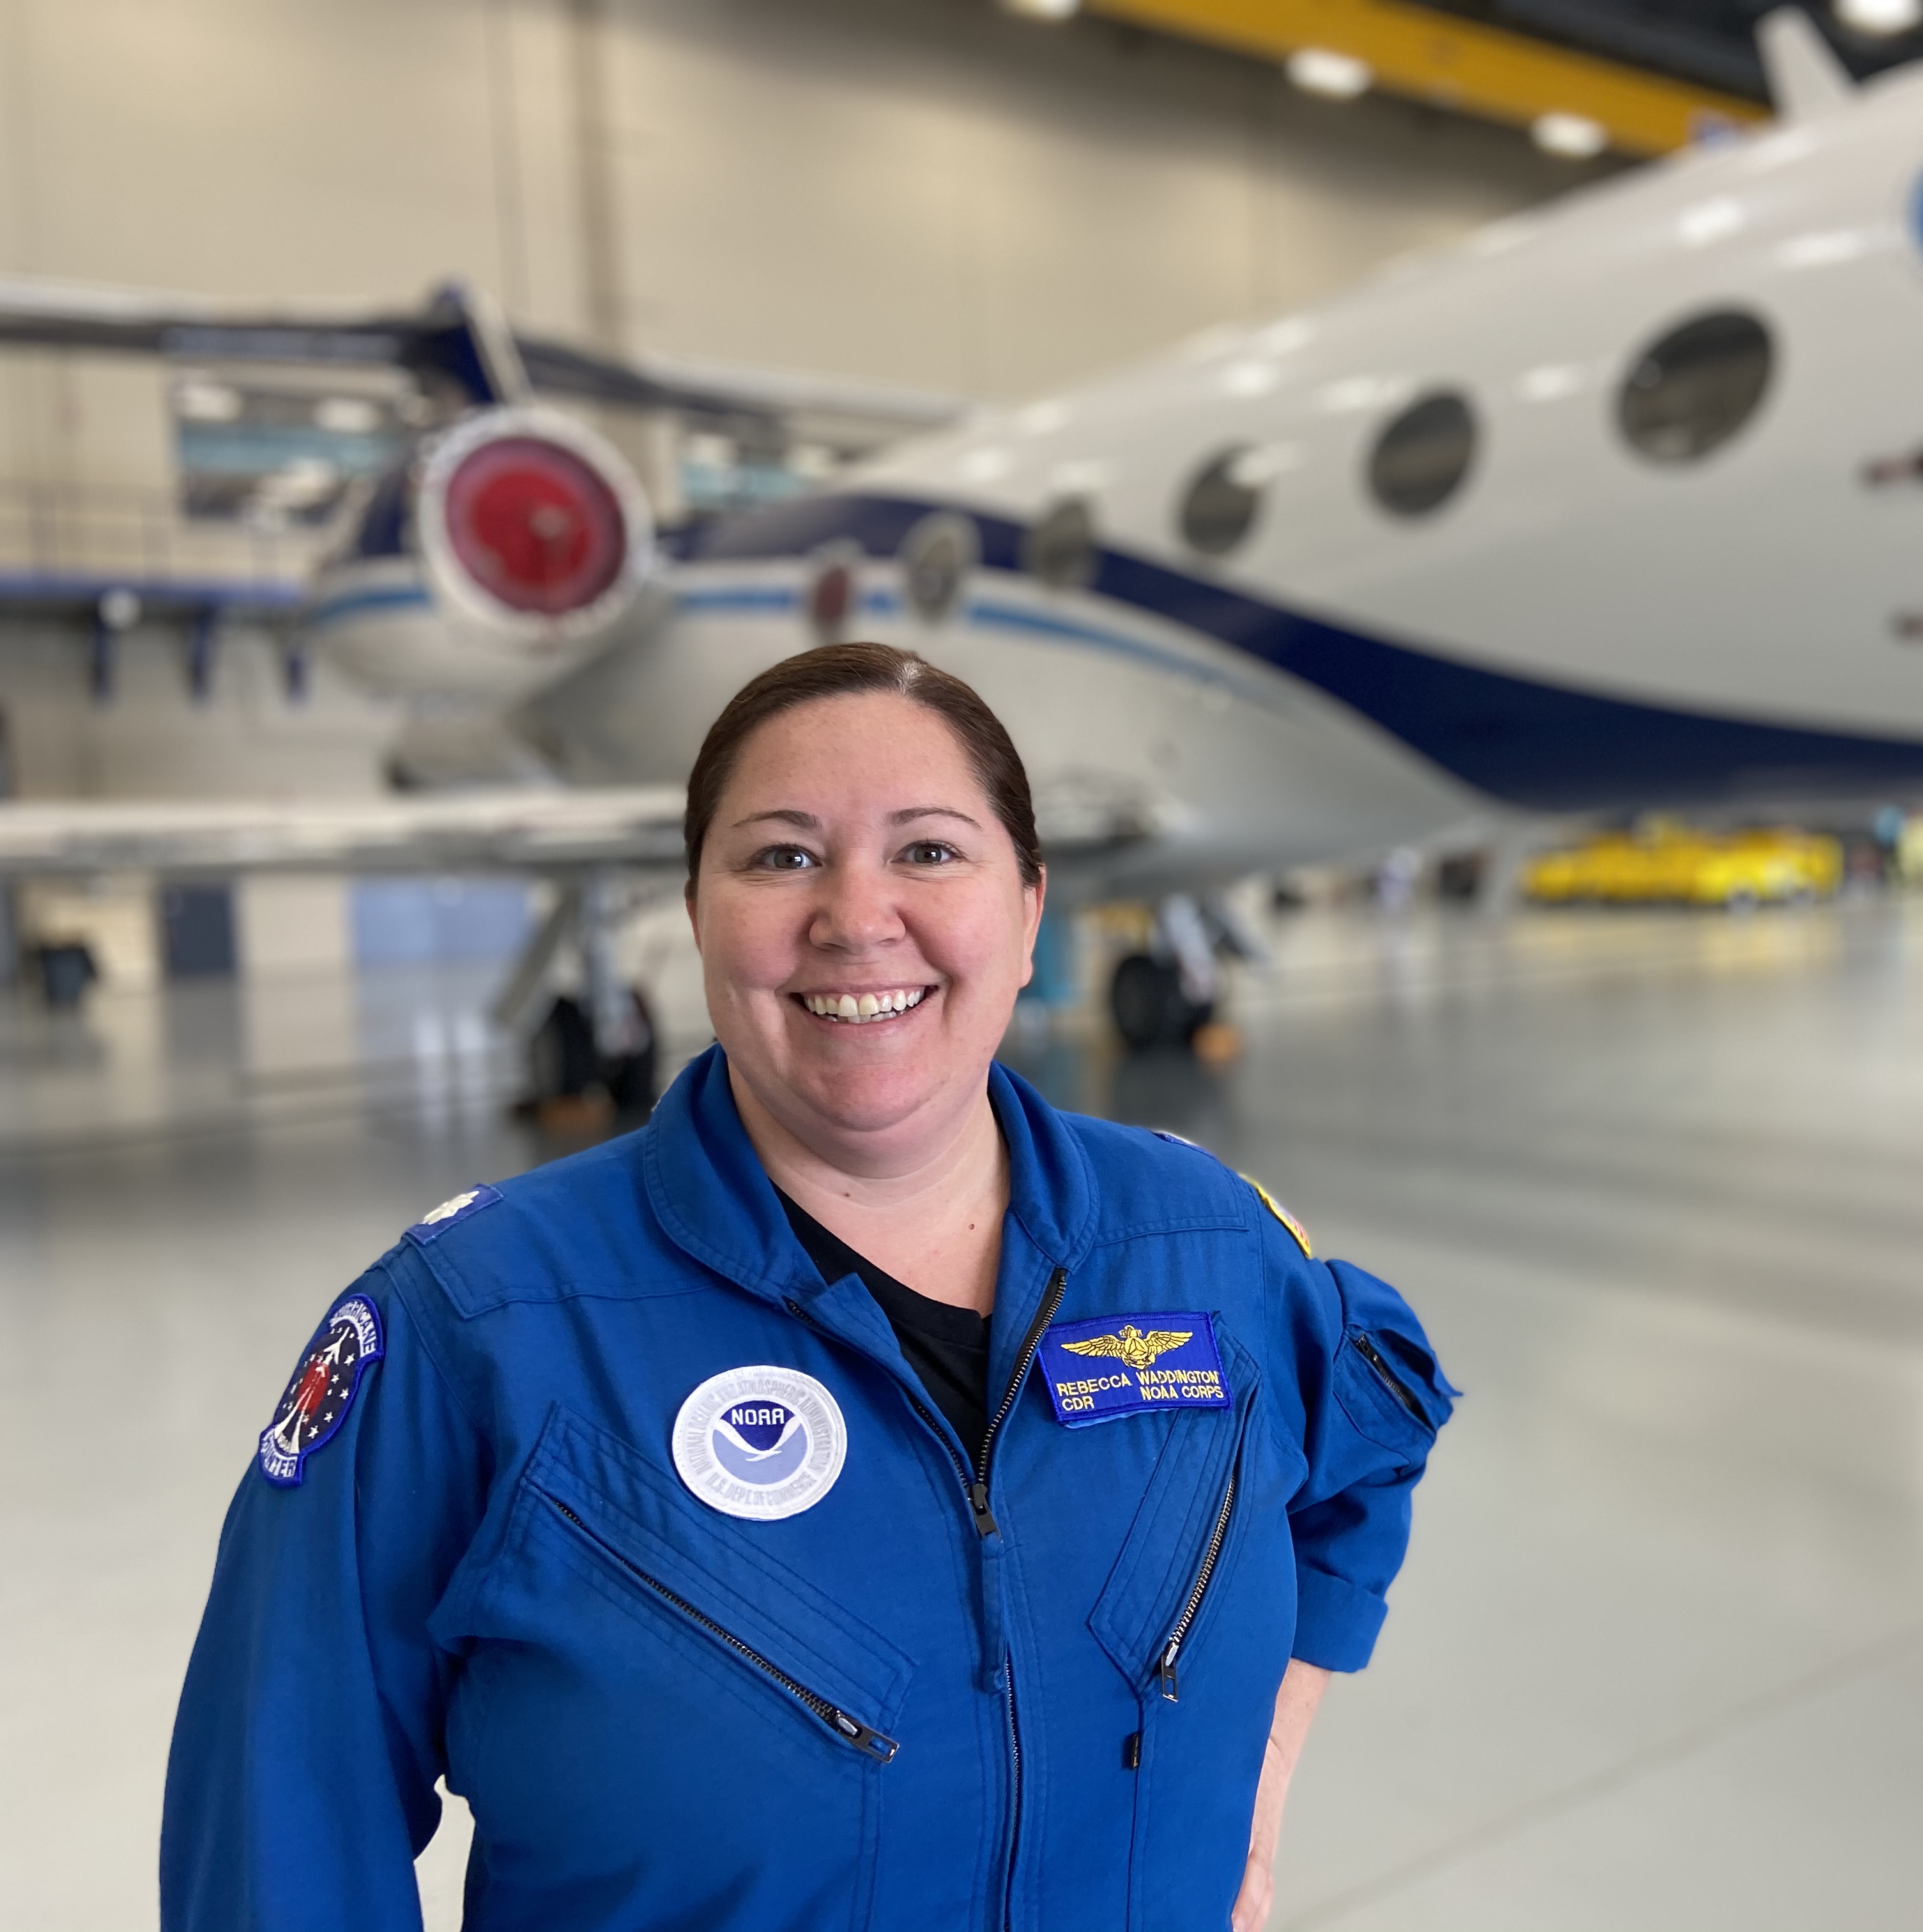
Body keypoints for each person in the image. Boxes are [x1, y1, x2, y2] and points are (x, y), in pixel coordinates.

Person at [162, 642, 1454, 1931]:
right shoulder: (474, 1328)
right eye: (781, 855)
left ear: (1029, 912)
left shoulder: (1206, 1244)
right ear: (696, 913)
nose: (855, 915)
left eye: (931, 852)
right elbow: (279, 1833)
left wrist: (1262, 1787)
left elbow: (1371, 1433)